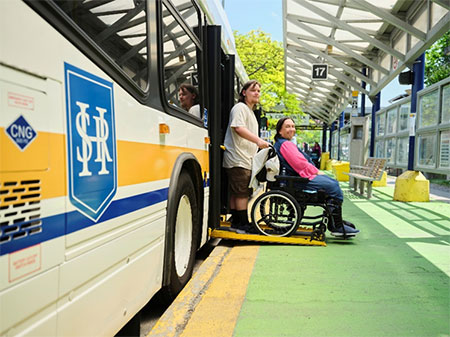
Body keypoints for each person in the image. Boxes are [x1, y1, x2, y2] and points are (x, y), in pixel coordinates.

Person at [274, 117, 359, 237]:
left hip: (294, 178)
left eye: (293, 126)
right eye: (287, 126)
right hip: (297, 180)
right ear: (280, 131)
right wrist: (316, 172)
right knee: (333, 186)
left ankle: (335, 221)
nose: (291, 129)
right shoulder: (286, 145)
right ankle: (336, 225)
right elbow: (299, 164)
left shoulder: (282, 144)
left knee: (332, 183)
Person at [223, 80, 270, 232]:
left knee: (238, 192)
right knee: (242, 192)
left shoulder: (249, 110)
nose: (257, 93)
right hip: (238, 157)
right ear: (244, 93)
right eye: (253, 90)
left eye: (258, 91)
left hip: (243, 158)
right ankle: (242, 223)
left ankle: (236, 221)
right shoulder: (240, 108)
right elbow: (238, 128)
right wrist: (258, 141)